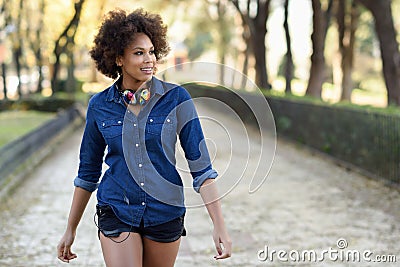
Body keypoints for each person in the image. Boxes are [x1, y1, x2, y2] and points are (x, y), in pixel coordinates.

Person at [57, 8, 231, 266]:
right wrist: (70, 229)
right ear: (118, 59)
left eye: (151, 51)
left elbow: (201, 168)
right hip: (117, 209)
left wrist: (220, 226)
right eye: (139, 53)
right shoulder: (100, 105)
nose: (149, 59)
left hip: (165, 211)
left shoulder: (177, 99)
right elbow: (88, 172)